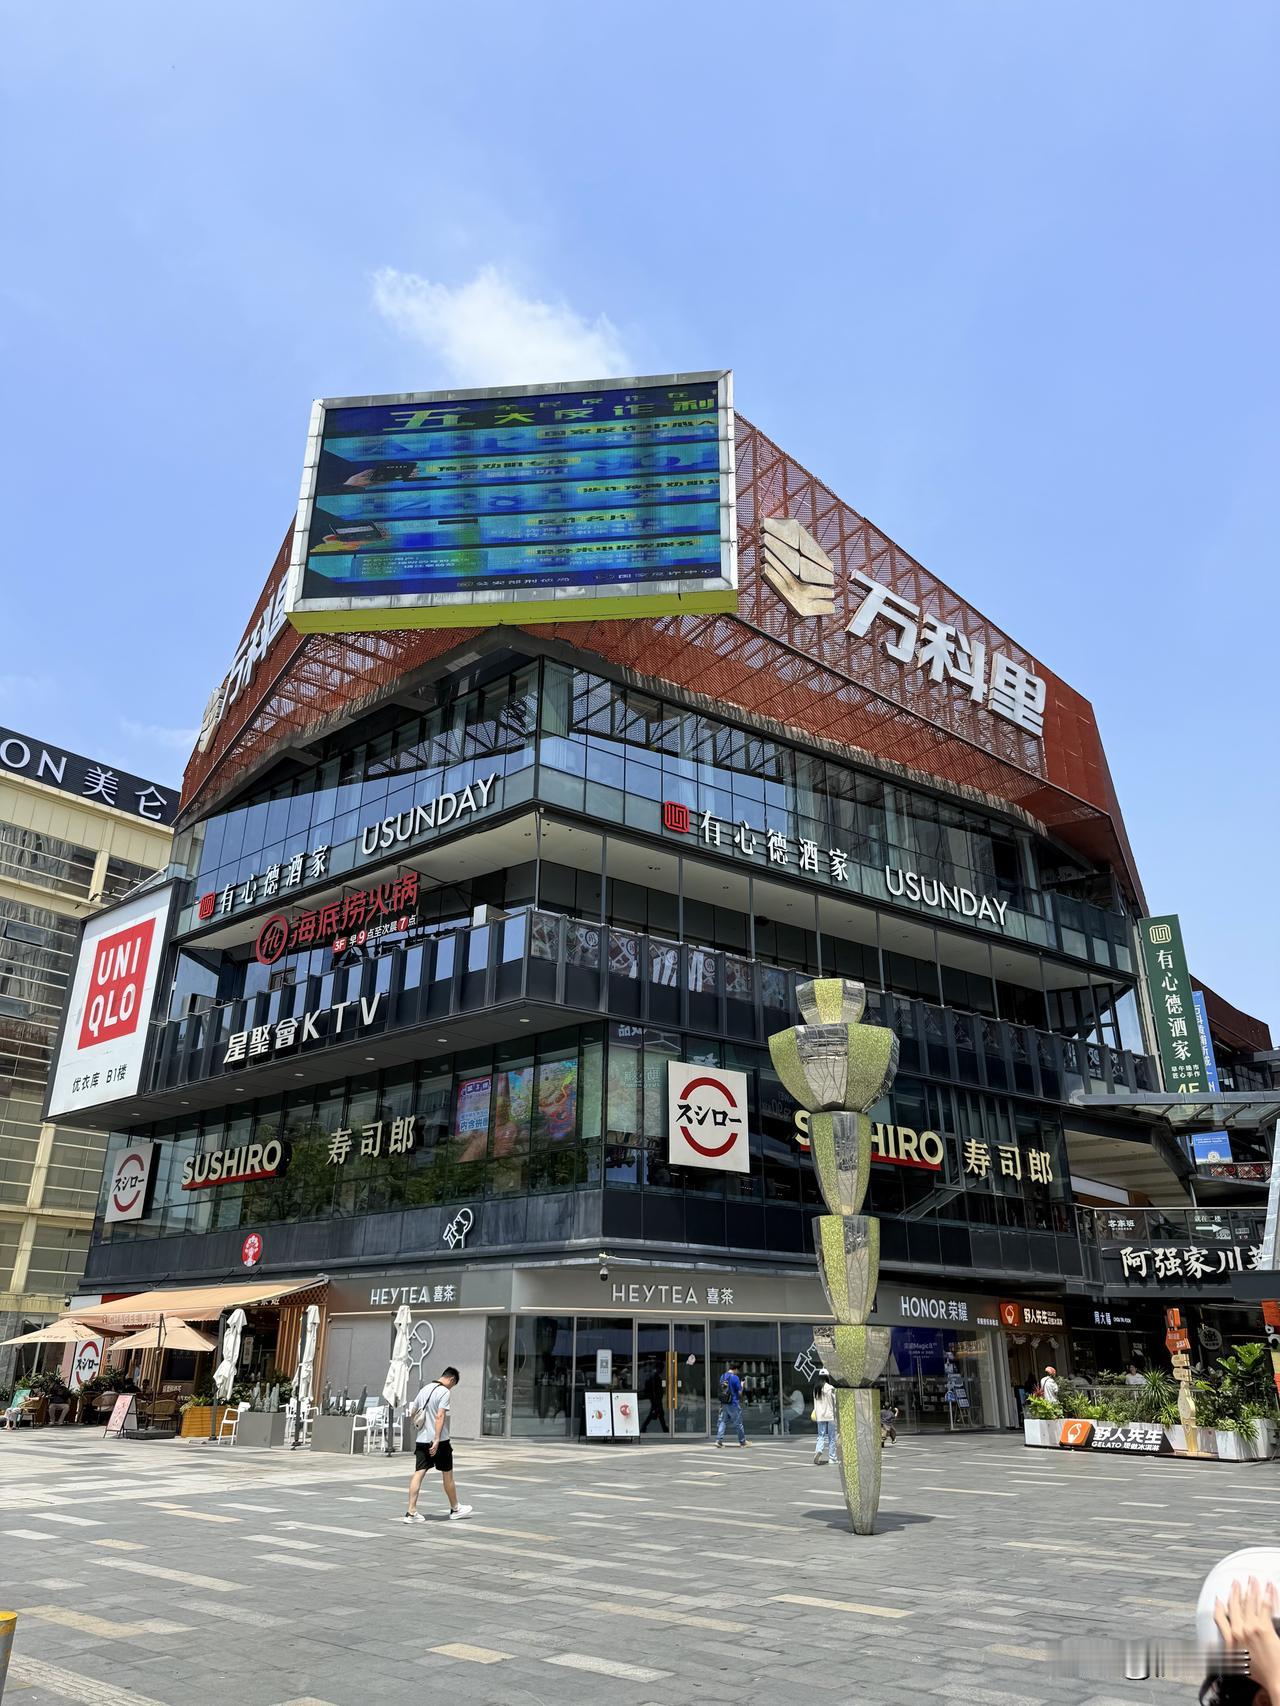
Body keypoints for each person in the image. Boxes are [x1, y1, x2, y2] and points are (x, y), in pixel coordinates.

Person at [403, 1367, 472, 1524]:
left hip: (421, 1440)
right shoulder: (444, 1392)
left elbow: (413, 1412)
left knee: (418, 1473)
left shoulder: (424, 1389)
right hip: (440, 1441)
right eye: (453, 1385)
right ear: (452, 1379)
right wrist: (436, 1439)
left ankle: (411, 1512)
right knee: (447, 1474)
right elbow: (440, 1415)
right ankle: (455, 1509)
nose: (451, 1388)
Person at [715, 1362, 747, 1448]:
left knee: (723, 1421)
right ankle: (742, 1442)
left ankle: (718, 1441)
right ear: (735, 1369)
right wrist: (742, 1384)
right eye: (738, 1371)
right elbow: (740, 1393)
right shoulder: (735, 1378)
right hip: (733, 1403)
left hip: (724, 1402)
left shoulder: (722, 1376)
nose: (738, 1372)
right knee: (738, 1423)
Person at [812, 1367, 836, 1464]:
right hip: (830, 1415)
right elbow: (835, 1402)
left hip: (820, 1415)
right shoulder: (831, 1388)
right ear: (827, 1377)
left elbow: (815, 1403)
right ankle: (832, 1458)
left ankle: (819, 1450)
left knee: (821, 1435)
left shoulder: (816, 1389)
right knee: (831, 1437)